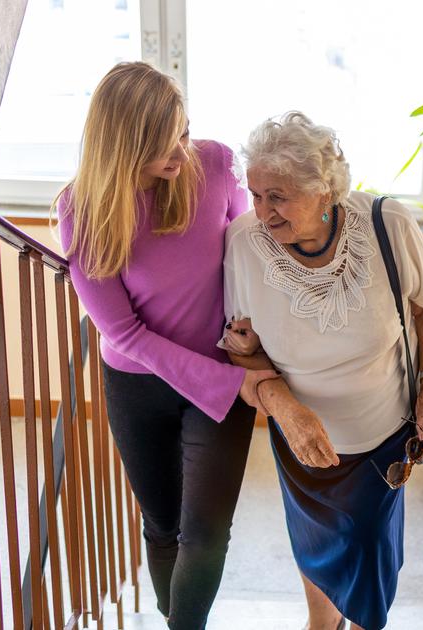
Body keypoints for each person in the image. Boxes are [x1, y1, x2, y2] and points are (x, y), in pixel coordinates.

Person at [55, 61, 276, 629]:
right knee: (161, 524)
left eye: (183, 130)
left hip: (220, 373)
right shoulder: (81, 209)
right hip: (138, 384)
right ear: (124, 147)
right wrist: (231, 382)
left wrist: (246, 342)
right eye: (163, 144)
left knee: (204, 533)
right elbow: (123, 333)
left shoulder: (216, 163)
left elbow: (245, 262)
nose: (182, 152)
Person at [219, 112, 423, 630]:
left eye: (277, 196)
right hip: (301, 440)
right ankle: (321, 623)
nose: (263, 212)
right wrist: (284, 408)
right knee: (315, 539)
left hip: (383, 437)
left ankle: (362, 620)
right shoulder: (243, 245)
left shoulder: (389, 226)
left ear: (324, 190)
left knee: (368, 547)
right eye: (255, 195)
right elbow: (241, 346)